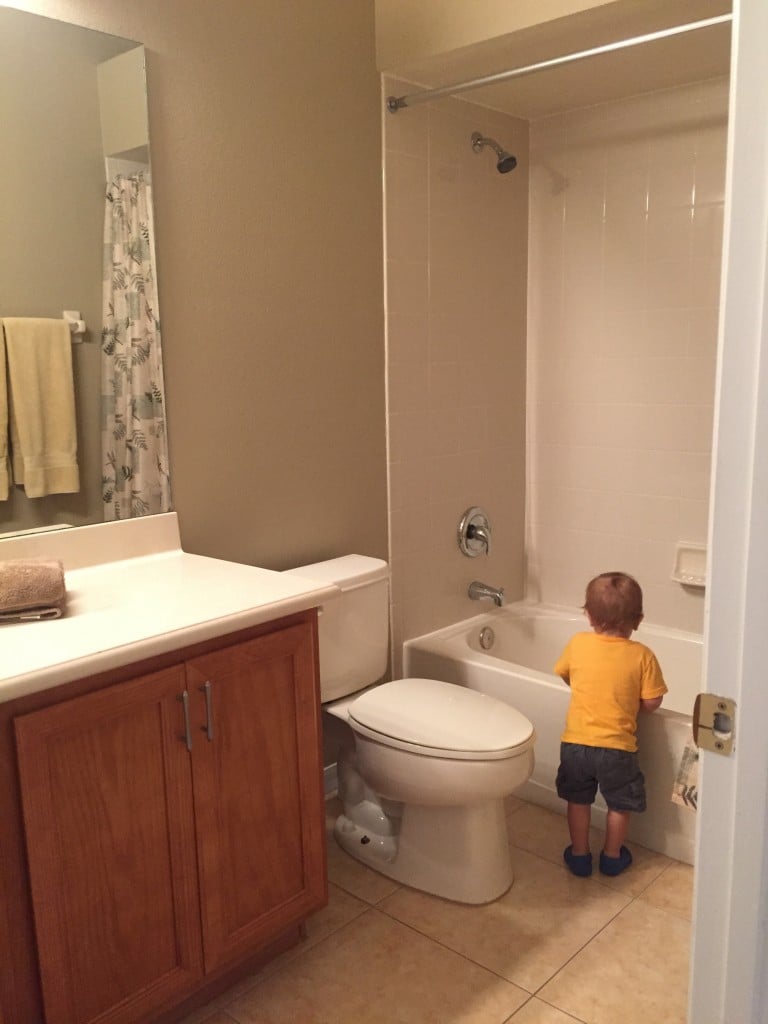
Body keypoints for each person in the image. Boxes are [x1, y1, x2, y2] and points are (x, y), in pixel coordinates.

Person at [554, 571, 667, 877]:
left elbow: (566, 675)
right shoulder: (643, 655)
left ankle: (579, 855)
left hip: (575, 744)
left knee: (578, 800)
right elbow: (653, 702)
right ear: (639, 619)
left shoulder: (578, 643)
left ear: (588, 616)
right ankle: (612, 855)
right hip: (617, 749)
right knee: (619, 804)